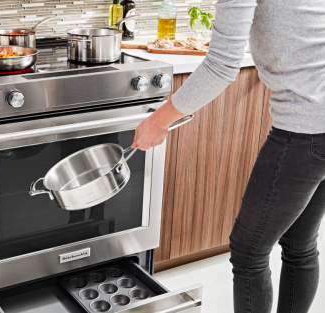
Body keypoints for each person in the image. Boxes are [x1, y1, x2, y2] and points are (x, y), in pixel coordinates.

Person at [131, 0, 325, 312]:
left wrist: (158, 120)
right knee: (299, 244)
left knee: (249, 253)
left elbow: (221, 66)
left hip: (306, 128)